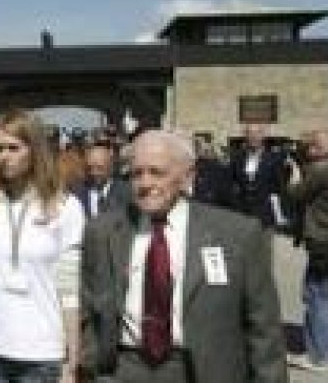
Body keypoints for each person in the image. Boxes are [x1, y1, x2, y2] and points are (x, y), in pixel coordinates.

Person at [81, 129, 287, 382]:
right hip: (125, 368)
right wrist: (92, 368)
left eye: (157, 172)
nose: (145, 183)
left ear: (187, 176)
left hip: (201, 370)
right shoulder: (102, 232)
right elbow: (89, 308)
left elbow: (264, 327)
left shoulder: (237, 234)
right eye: (136, 173)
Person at [0, 108, 84, 382]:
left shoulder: (66, 208)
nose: (4, 156)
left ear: (35, 150)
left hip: (42, 350)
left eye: (14, 148)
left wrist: (72, 360)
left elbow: (69, 287)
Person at [285, 128, 328, 372]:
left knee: (317, 296)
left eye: (308, 147)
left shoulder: (323, 171)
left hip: (327, 242)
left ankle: (318, 356)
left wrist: (293, 174)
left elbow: (296, 194)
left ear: (316, 148)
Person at [229, 123, 290, 230]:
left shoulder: (274, 159)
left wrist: (280, 214)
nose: (253, 137)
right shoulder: (237, 157)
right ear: (245, 136)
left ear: (263, 136)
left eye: (257, 133)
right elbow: (232, 182)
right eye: (249, 133)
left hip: (265, 212)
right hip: (242, 211)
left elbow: (280, 187)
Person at [74, 139, 132, 219]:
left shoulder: (126, 191)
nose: (94, 173)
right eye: (90, 168)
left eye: (100, 168)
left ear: (110, 166)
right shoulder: (78, 192)